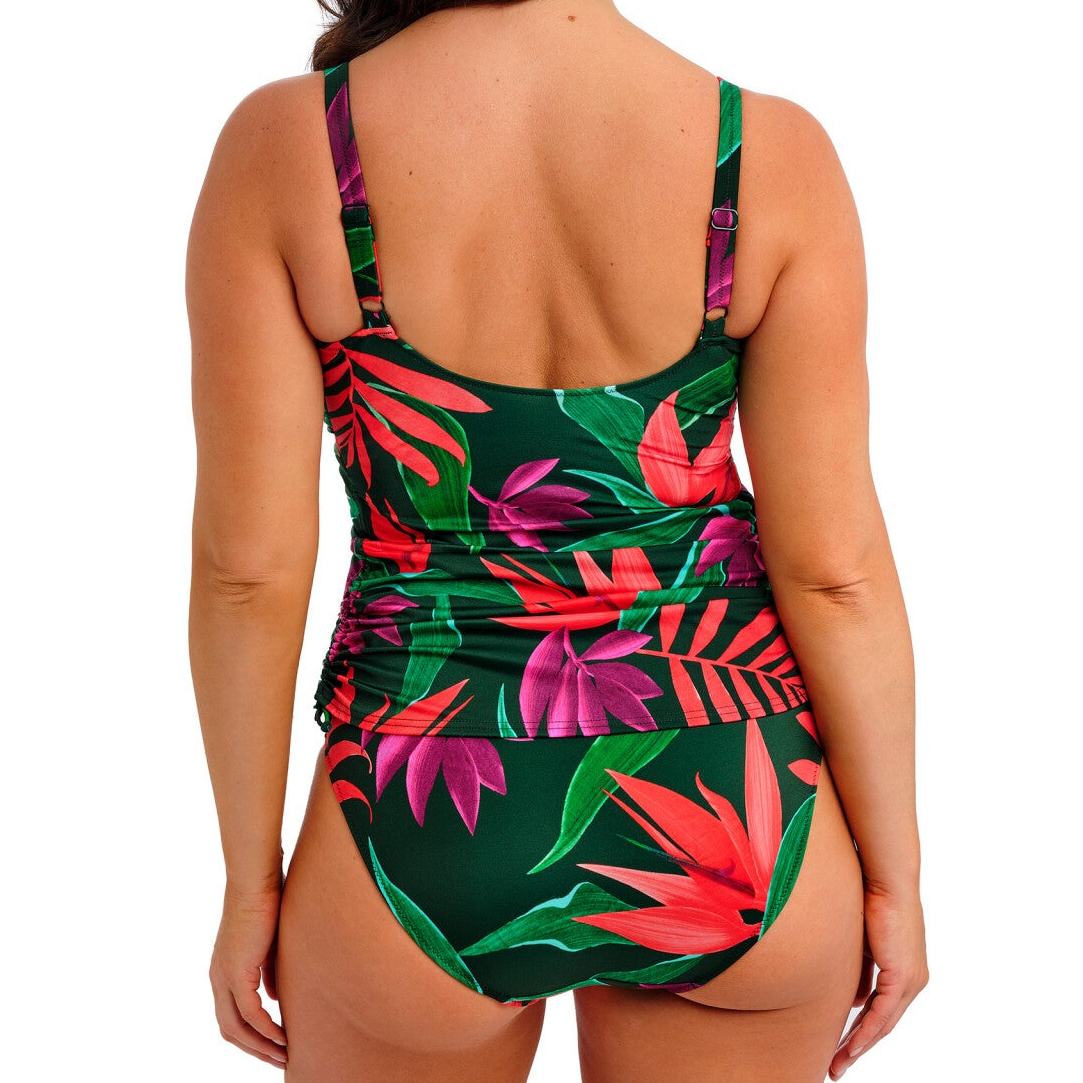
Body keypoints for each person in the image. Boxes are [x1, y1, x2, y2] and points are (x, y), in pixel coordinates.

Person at [187, 1, 928, 1080]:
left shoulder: (292, 144)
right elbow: (835, 572)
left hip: (424, 792)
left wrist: (250, 883)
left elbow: (246, 575)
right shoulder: (767, 151)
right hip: (735, 793)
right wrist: (895, 878)